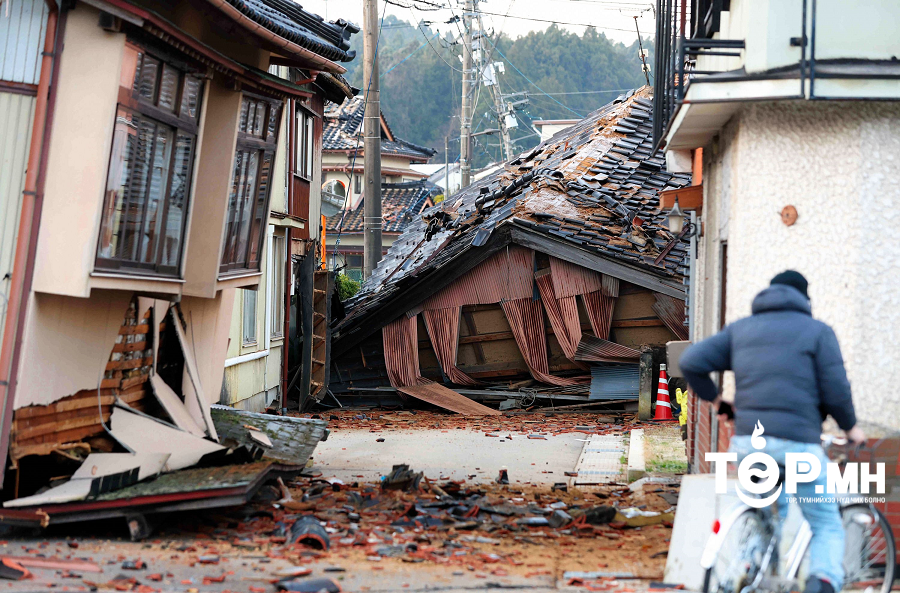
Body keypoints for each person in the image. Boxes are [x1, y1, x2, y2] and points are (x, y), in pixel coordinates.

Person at [680, 270, 865, 593]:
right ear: (804, 299)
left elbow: (692, 361)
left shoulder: (740, 331)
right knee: (825, 524)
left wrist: (718, 401)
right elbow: (836, 392)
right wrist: (852, 429)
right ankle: (820, 584)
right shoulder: (817, 333)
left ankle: (749, 570)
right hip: (798, 445)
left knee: (765, 517)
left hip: (749, 445)